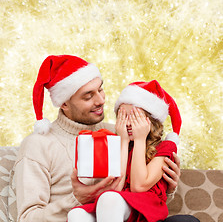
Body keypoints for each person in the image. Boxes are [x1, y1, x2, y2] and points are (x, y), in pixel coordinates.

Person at [14, 55, 197, 222]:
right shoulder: (38, 145)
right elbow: (27, 218)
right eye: (88, 96)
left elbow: (139, 189)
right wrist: (77, 199)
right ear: (64, 103)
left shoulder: (120, 131)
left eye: (101, 90)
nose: (101, 100)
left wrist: (166, 185)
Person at [67, 80, 182, 221]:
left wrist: (140, 139)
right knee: (76, 214)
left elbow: (138, 186)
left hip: (145, 208)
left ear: (151, 120)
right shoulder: (119, 145)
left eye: (134, 117)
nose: (127, 123)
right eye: (123, 116)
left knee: (109, 199)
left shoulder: (165, 147)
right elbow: (116, 187)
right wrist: (123, 141)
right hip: (118, 205)